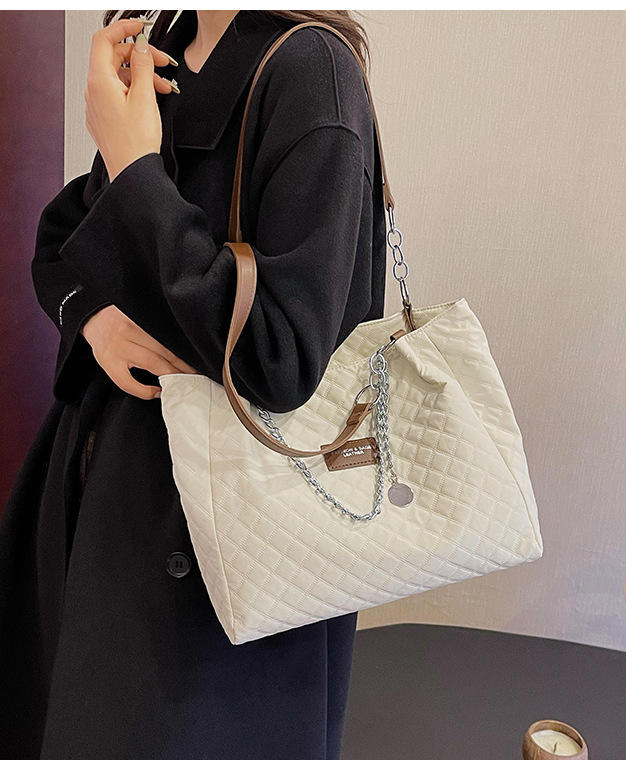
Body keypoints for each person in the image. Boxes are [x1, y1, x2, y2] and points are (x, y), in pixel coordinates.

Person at [0, 9, 386, 759]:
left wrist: (135, 167)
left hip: (215, 566)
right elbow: (64, 241)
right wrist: (94, 319)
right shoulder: (166, 43)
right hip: (99, 508)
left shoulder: (312, 71)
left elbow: (279, 356)